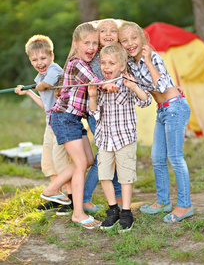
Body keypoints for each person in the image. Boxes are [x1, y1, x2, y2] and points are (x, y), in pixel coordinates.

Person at [40, 22, 118, 229]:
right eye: (86, 43)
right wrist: (108, 84)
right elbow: (93, 79)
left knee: (88, 160)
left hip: (74, 119)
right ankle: (77, 212)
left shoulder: (83, 61)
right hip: (64, 117)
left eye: (94, 43)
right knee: (81, 163)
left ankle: (52, 189)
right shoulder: (76, 63)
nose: (91, 47)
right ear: (76, 44)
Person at [119, 21, 193, 223]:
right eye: (124, 40)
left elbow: (161, 86)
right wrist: (132, 85)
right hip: (162, 110)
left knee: (175, 157)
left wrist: (149, 61)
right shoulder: (130, 66)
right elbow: (144, 101)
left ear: (142, 39)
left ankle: (185, 205)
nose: (130, 43)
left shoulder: (153, 57)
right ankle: (163, 201)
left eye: (134, 38)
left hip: (175, 107)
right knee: (157, 157)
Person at [88, 43, 152, 231]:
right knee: (105, 175)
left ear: (122, 66)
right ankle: (112, 210)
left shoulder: (128, 83)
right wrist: (92, 96)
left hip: (124, 139)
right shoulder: (98, 84)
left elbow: (146, 101)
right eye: (103, 63)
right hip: (104, 139)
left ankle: (126, 212)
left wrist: (133, 87)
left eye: (111, 63)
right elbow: (94, 114)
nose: (107, 67)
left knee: (125, 176)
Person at [14, 35, 72, 213]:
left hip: (61, 122)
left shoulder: (54, 70)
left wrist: (37, 86)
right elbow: (44, 104)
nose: (39, 62)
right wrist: (28, 91)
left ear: (52, 56)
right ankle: (58, 196)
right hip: (50, 123)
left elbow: (46, 84)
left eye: (43, 58)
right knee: (48, 162)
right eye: (34, 59)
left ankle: (72, 199)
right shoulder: (39, 76)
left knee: (60, 162)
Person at [83, 18, 123, 212]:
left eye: (113, 31)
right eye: (103, 31)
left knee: (113, 154)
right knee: (104, 156)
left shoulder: (120, 55)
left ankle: (117, 195)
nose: (108, 34)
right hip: (98, 113)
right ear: (97, 36)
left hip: (115, 115)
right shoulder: (96, 58)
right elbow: (98, 80)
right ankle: (83, 198)